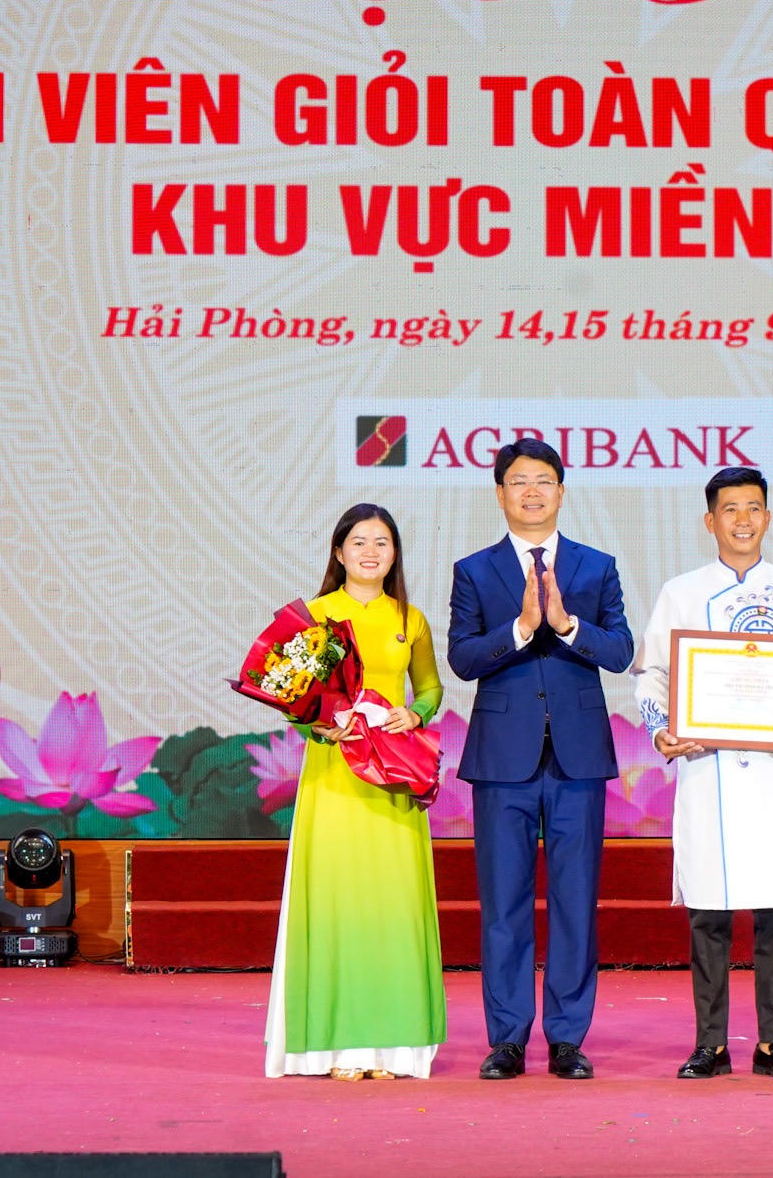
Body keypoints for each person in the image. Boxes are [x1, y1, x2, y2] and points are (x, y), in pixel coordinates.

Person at [633, 466, 773, 1081]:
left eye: (753, 508)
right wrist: (663, 730)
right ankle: (710, 1044)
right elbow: (652, 675)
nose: (742, 520)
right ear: (709, 520)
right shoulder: (681, 593)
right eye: (729, 509)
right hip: (707, 770)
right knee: (708, 914)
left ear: (767, 517)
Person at [448, 438, 635, 1080]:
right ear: (500, 493)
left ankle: (566, 1038)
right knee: (503, 904)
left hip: (577, 760)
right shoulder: (474, 570)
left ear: (562, 491)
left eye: (543, 481)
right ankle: (506, 1038)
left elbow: (620, 651)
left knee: (575, 903)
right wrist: (523, 629)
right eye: (519, 481)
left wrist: (568, 624)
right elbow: (463, 658)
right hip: (503, 760)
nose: (532, 491)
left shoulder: (596, 566)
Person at [264, 504, 445, 1081]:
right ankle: (334, 1047)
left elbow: (430, 688)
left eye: (382, 542)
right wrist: (316, 726)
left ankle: (394, 1047)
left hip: (393, 777)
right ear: (339, 552)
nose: (371, 552)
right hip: (334, 777)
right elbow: (288, 695)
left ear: (395, 554)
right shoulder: (315, 616)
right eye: (359, 541)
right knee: (336, 902)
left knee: (393, 906)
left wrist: (414, 715)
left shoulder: (410, 619)